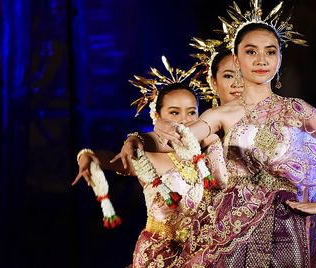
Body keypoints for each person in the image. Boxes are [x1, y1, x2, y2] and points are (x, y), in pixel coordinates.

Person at [124, 2, 316, 267]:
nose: (262, 60)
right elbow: (177, 138)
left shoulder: (299, 111)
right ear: (237, 59)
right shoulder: (222, 115)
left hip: (288, 226)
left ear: (280, 59)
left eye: (270, 52)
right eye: (251, 51)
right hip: (235, 226)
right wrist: (136, 139)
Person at [73, 57, 229, 268]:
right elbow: (110, 160)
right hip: (161, 257)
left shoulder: (211, 153)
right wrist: (87, 156)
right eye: (174, 112)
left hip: (208, 253)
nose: (183, 120)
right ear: (157, 116)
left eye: (191, 112)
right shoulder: (145, 157)